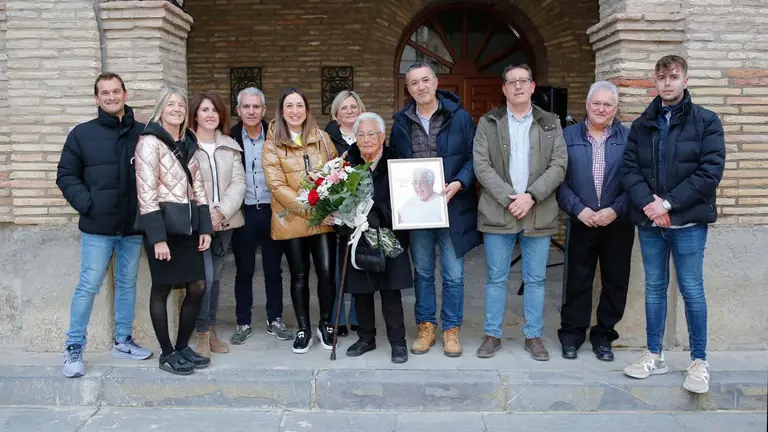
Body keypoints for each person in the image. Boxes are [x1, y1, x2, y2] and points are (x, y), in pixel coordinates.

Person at [621, 55, 725, 394]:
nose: (667, 83)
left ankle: (699, 361)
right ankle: (655, 355)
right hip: (650, 223)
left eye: (674, 77)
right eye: (662, 77)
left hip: (688, 222)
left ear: (685, 80)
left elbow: (709, 172)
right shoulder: (642, 124)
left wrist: (666, 204)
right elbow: (629, 170)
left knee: (691, 289)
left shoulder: (706, 121)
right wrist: (651, 207)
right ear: (655, 81)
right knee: (654, 287)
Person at [56, 72, 152, 378]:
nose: (111, 97)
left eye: (116, 91)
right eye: (105, 93)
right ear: (96, 98)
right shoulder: (82, 134)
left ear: (125, 94)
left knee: (127, 283)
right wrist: (89, 205)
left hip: (133, 227)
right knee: (88, 285)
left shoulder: (144, 133)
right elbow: (66, 175)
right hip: (98, 227)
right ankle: (74, 347)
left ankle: (122, 341)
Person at [473, 63, 567, 361]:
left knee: (536, 279)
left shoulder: (550, 122)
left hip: (538, 211)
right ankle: (492, 335)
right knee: (496, 278)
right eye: (511, 82)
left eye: (523, 81)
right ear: (503, 89)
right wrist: (509, 198)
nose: (518, 86)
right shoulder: (488, 122)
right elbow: (481, 165)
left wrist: (531, 196)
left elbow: (559, 164)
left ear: (532, 86)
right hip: (498, 211)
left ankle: (534, 336)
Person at [389, 62, 480, 358]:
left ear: (436, 82)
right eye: (414, 83)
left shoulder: (459, 117)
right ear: (408, 89)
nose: (421, 87)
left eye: (425, 80)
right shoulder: (401, 122)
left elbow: (474, 157)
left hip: (453, 206)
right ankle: (426, 326)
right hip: (418, 212)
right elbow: (396, 163)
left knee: (453, 274)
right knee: (424, 272)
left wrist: (460, 183)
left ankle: (451, 329)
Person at [134, 87, 214, 375]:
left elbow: (199, 188)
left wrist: (205, 227)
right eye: (171, 104)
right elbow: (145, 193)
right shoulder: (149, 142)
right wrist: (158, 239)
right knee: (162, 288)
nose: (177, 109)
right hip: (163, 228)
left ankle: (182, 347)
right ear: (161, 109)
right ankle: (167, 353)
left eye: (180, 105)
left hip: (188, 226)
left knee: (198, 285)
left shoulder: (188, 142)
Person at [557, 81, 634, 362]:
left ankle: (603, 337)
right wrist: (578, 210)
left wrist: (615, 210)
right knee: (578, 280)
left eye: (607, 104)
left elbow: (637, 181)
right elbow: (559, 180)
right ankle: (572, 335)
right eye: (596, 103)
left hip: (618, 222)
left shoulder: (629, 138)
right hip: (582, 221)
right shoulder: (567, 136)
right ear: (587, 105)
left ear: (616, 108)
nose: (601, 109)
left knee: (615, 281)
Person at [262, 88, 339, 354]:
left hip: (324, 219)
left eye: (299, 106)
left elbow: (336, 171)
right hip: (291, 219)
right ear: (281, 112)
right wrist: (311, 211)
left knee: (326, 273)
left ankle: (326, 324)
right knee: (299, 275)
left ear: (306, 109)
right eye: (289, 106)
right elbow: (276, 186)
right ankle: (304, 328)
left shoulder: (322, 138)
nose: (295, 111)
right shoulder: (272, 144)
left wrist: (331, 204)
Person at [340, 113, 412, 364]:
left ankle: (398, 342)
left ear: (382, 136)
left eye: (371, 134)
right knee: (362, 291)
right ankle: (366, 338)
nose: (366, 139)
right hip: (358, 234)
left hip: (389, 233)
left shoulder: (396, 161)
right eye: (360, 134)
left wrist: (379, 214)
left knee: (391, 291)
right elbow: (338, 198)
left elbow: (405, 199)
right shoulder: (347, 163)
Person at [229, 87, 291, 345]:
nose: (251, 111)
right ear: (238, 110)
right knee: (244, 270)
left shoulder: (276, 136)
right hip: (243, 213)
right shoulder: (230, 138)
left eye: (256, 106)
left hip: (272, 211)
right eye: (246, 106)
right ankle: (243, 322)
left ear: (264, 110)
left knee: (273, 269)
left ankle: (274, 319)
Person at [189, 92, 246, 358]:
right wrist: (205, 216)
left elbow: (239, 182)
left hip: (225, 221)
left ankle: (211, 330)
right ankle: (202, 332)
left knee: (215, 278)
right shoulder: (186, 145)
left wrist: (221, 211)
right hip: (198, 224)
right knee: (206, 278)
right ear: (195, 114)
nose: (210, 114)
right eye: (204, 110)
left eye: (214, 110)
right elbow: (184, 184)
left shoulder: (230, 145)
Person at [325, 90, 367, 336]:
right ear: (336, 113)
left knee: (360, 264)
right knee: (337, 268)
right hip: (337, 213)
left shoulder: (369, 134)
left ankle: (358, 316)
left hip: (364, 212)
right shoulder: (327, 139)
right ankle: (337, 318)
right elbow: (323, 173)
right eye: (344, 108)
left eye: (354, 106)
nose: (350, 111)